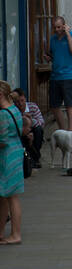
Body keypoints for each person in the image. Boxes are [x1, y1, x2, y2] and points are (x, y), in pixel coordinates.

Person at [0, 80, 27, 245]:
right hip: (15, 152)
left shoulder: (3, 114)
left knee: (11, 197)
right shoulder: (14, 110)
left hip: (7, 156)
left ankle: (16, 234)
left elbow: (2, 140)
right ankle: (2, 231)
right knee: (5, 196)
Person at [48, 16, 72, 129]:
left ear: (64, 25)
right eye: (54, 27)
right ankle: (62, 129)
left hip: (69, 76)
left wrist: (68, 34)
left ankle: (71, 131)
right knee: (54, 106)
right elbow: (55, 55)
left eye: (59, 27)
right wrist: (50, 58)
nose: (57, 30)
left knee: (70, 105)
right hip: (55, 76)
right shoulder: (53, 39)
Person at [12, 88, 44, 169]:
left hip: (32, 129)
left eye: (22, 100)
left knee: (38, 130)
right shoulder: (13, 109)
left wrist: (30, 120)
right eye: (17, 102)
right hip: (20, 131)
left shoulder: (32, 106)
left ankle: (35, 158)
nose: (20, 104)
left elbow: (41, 122)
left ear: (25, 99)